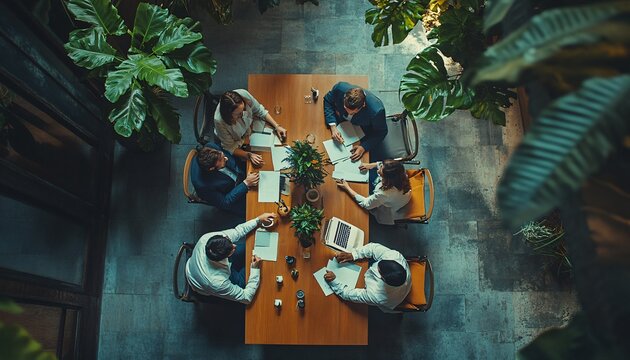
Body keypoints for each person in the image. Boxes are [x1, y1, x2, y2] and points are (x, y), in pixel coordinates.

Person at [185, 212, 277, 304]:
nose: (234, 245)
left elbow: (238, 231)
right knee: (246, 277)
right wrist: (255, 268)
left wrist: (258, 220)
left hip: (197, 266)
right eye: (231, 250)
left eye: (229, 241)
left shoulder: (207, 238)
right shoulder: (217, 282)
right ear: (225, 257)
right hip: (202, 283)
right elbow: (246, 297)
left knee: (247, 248)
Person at [324, 243, 411, 313]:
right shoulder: (395, 256)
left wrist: (334, 281)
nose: (376, 267)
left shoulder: (377, 296)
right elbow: (373, 248)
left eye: (378, 270)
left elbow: (348, 294)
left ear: (382, 279)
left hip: (393, 300)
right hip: (405, 286)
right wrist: (353, 255)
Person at [214, 90, 288, 167]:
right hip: (237, 141)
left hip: (249, 131)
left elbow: (259, 110)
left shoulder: (243, 95)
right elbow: (230, 147)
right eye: (238, 114)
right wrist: (248, 155)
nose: (242, 114)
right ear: (229, 115)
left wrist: (277, 126)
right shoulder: (219, 122)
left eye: (243, 110)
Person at [323, 82, 387, 161]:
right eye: (345, 108)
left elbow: (381, 132)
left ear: (363, 105)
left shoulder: (377, 112)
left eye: (353, 112)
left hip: (363, 130)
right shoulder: (339, 88)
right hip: (341, 124)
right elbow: (328, 100)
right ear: (344, 97)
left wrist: (363, 147)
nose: (348, 114)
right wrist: (333, 126)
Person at [191, 142, 259, 215]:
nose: (226, 158)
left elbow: (230, 154)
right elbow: (224, 203)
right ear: (212, 168)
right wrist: (245, 184)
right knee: (256, 210)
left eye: (222, 155)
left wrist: (247, 155)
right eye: (221, 160)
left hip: (241, 175)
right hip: (234, 196)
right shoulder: (203, 186)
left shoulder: (211, 147)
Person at [335, 160, 411, 225]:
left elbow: (366, 204)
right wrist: (369, 165)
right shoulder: (399, 173)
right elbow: (383, 165)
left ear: (387, 179)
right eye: (381, 167)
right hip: (402, 197)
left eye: (380, 171)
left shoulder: (384, 193)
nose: (378, 170)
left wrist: (347, 188)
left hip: (388, 208)